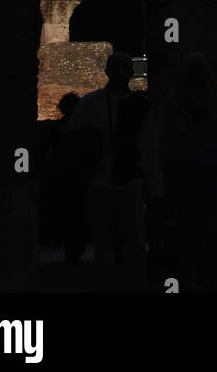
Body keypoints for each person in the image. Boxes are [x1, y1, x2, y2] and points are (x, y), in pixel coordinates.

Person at [68, 52, 163, 290]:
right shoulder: (96, 103)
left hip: (121, 181)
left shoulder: (94, 103)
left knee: (126, 241)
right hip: (110, 180)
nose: (122, 73)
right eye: (119, 68)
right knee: (115, 242)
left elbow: (148, 146)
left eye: (125, 68)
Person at [158, 52, 217, 291]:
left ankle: (197, 277)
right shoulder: (207, 103)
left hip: (193, 172)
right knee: (202, 230)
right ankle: (202, 277)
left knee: (194, 230)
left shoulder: (176, 104)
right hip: (197, 171)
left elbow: (165, 142)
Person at [38, 91, 89, 265]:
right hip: (77, 180)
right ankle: (73, 252)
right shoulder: (84, 130)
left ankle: (68, 250)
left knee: (65, 216)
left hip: (61, 178)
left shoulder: (58, 129)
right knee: (76, 218)